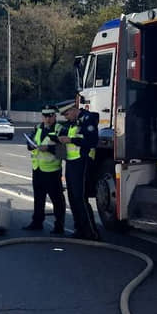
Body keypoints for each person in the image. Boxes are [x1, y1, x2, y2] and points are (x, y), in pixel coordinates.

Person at [60, 103, 101, 241]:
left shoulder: (88, 119)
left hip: (82, 161)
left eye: (66, 114)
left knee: (80, 197)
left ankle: (91, 232)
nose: (66, 117)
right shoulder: (73, 122)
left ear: (73, 110)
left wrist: (71, 140)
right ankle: (80, 228)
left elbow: (91, 140)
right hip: (72, 162)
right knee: (72, 197)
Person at [23, 105, 67, 234]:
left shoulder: (60, 129)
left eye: (50, 116)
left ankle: (59, 225)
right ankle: (37, 222)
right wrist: (30, 146)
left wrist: (48, 148)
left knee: (57, 199)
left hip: (52, 170)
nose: (47, 119)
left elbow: (63, 152)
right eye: (45, 116)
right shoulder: (38, 128)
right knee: (38, 197)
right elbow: (30, 142)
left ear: (54, 116)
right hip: (37, 168)